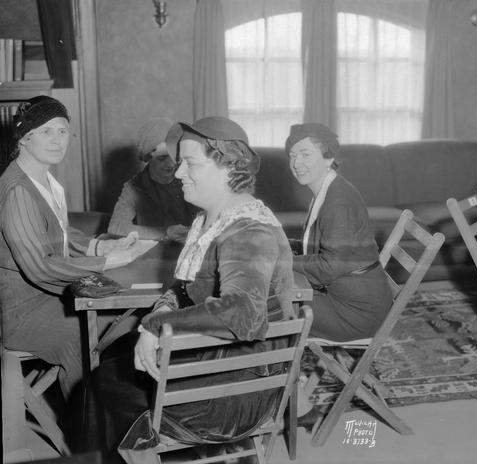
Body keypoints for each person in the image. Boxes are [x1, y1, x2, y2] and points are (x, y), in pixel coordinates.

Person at [85, 117, 294, 460]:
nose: (178, 173)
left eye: (190, 163)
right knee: (113, 360)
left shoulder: (248, 230)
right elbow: (183, 286)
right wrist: (164, 308)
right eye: (179, 162)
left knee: (106, 381)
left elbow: (244, 315)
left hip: (234, 391)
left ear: (228, 166)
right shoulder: (209, 218)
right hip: (214, 361)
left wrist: (154, 325)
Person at [0, 96, 138, 401]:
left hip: (54, 297)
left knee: (129, 318)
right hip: (23, 314)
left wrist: (99, 247)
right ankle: (87, 429)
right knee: (82, 338)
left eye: (63, 131)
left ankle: (113, 409)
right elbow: (39, 265)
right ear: (25, 137)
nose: (57, 140)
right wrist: (104, 264)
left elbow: (60, 232)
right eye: (47, 131)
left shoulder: (45, 181)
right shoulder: (17, 190)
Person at [285, 123, 393, 342]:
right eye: (292, 155)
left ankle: (280, 373)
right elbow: (320, 246)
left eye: (305, 155)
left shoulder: (338, 201)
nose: (296, 163)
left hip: (355, 313)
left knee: (273, 305)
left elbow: (328, 266)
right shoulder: (328, 189)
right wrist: (280, 244)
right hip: (347, 297)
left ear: (328, 157)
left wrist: (281, 259)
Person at [108, 117, 197, 242]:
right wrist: (164, 233)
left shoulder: (191, 177)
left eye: (174, 156)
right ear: (148, 157)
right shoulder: (134, 187)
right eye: (162, 158)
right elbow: (115, 228)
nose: (171, 164)